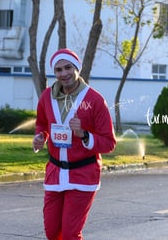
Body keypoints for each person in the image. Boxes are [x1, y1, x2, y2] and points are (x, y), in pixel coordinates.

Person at [32, 48, 116, 240]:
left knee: (70, 234)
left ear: (77, 68)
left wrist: (84, 134)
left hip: (83, 175)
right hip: (55, 173)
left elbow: (109, 143)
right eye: (59, 70)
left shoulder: (95, 100)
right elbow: (42, 124)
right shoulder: (47, 96)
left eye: (68, 67)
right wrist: (40, 137)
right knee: (52, 232)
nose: (64, 74)